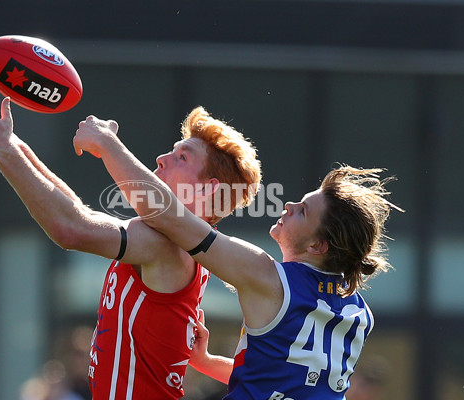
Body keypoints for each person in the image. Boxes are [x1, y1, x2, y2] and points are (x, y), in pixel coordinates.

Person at [0, 89, 262, 399]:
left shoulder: (169, 246)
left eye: (181, 157)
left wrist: (4, 150)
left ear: (206, 190)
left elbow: (70, 229)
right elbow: (77, 211)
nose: (161, 159)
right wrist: (12, 143)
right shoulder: (168, 241)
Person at [72, 118, 404, 399]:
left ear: (318, 245)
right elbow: (290, 377)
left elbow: (169, 217)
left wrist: (106, 144)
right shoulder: (358, 309)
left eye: (302, 211)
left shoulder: (268, 277)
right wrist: (206, 362)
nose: (288, 206)